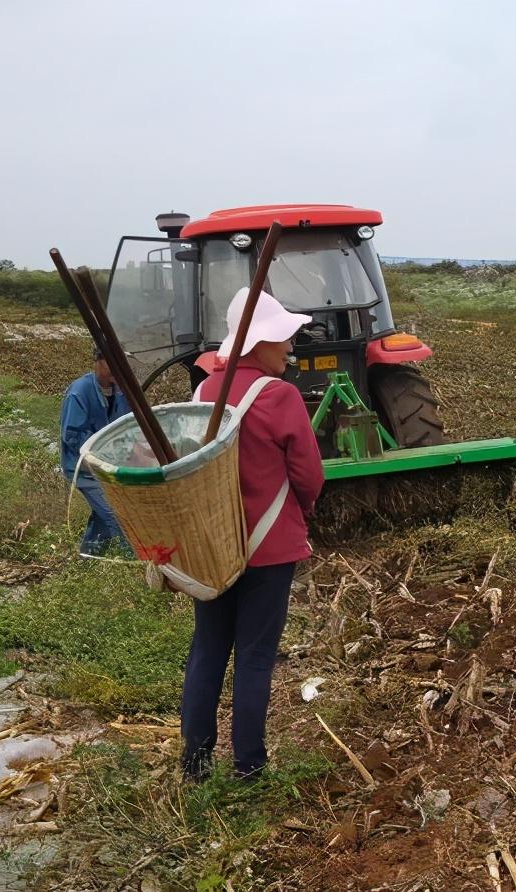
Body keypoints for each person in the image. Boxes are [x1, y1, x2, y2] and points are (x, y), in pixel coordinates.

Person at [180, 288, 325, 780]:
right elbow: (309, 475)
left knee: (207, 650)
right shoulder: (279, 396)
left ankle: (195, 765)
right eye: (282, 337)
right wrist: (297, 512)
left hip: (213, 549)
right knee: (256, 658)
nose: (289, 347)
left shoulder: (201, 393)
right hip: (269, 550)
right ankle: (249, 768)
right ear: (256, 343)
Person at [60, 346, 131, 557]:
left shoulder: (120, 392)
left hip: (109, 468)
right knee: (117, 515)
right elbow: (71, 436)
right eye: (111, 363)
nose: (116, 369)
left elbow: (128, 426)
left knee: (102, 517)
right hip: (84, 469)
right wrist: (102, 452)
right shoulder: (79, 392)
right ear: (98, 361)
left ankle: (88, 558)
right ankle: (134, 566)